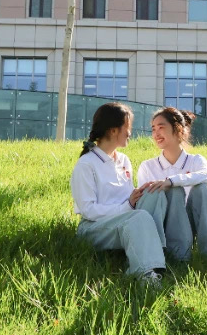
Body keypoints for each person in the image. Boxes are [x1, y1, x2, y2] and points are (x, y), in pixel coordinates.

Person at [70, 102, 171, 288]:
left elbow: (126, 197)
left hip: (125, 218)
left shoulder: (124, 160)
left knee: (155, 193)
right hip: (94, 228)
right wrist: (127, 206)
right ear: (113, 130)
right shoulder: (86, 165)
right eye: (127, 126)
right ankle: (145, 273)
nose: (130, 132)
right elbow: (88, 210)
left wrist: (139, 193)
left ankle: (157, 252)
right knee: (139, 217)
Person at [136, 107, 207, 264]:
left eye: (161, 127)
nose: (156, 134)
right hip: (165, 223)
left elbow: (206, 175)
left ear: (178, 130)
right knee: (174, 192)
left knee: (203, 190)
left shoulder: (196, 160)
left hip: (192, 220)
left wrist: (171, 181)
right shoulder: (147, 166)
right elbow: (145, 205)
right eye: (153, 129)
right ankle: (179, 257)